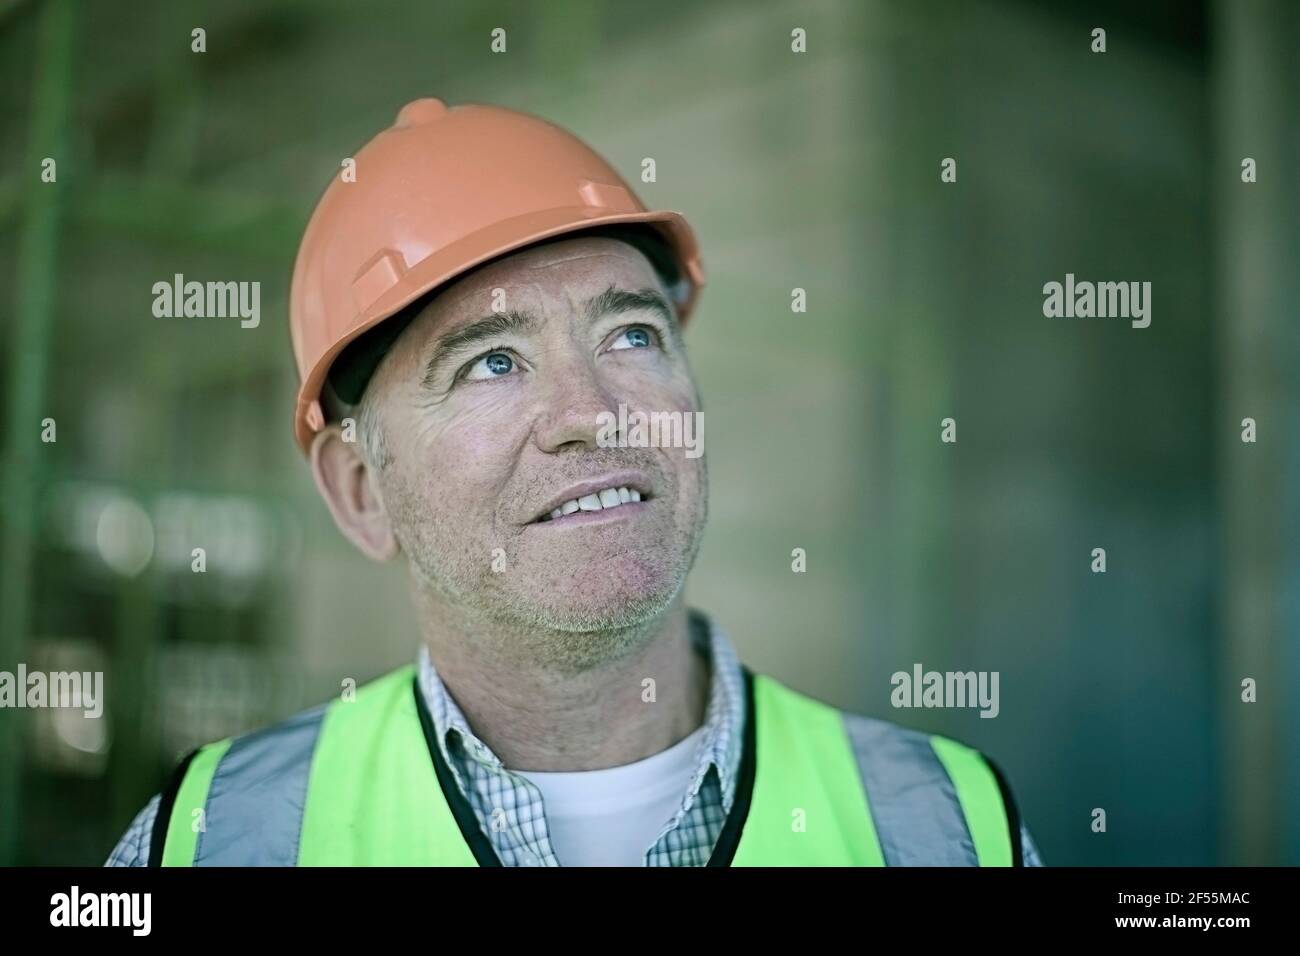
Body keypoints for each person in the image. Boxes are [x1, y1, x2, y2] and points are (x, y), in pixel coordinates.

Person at [107, 97, 1042, 867]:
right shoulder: (209, 843)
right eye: (492, 363)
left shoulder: (948, 827)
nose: (593, 411)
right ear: (361, 490)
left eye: (630, 335)